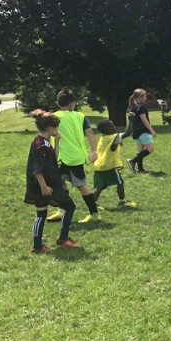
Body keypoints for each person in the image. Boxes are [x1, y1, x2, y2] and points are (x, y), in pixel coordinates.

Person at [25, 110, 79, 253]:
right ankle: (63, 238)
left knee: (41, 214)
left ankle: (37, 247)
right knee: (70, 206)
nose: (57, 130)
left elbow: (53, 158)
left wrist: (57, 142)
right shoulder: (41, 146)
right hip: (47, 184)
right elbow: (37, 170)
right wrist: (44, 186)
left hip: (42, 184)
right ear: (50, 129)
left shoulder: (42, 141)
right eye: (56, 128)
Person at [46, 88, 101, 224]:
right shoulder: (80, 116)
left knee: (77, 185)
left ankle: (93, 213)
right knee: (62, 183)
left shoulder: (53, 117)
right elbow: (89, 132)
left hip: (61, 157)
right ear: (72, 103)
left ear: (58, 103)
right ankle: (64, 210)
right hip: (72, 157)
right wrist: (94, 150)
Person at [91, 120, 137, 210]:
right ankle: (122, 201)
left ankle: (92, 203)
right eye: (112, 126)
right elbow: (127, 133)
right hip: (110, 166)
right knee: (120, 182)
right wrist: (131, 121)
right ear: (108, 130)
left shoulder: (102, 138)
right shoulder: (113, 137)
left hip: (99, 166)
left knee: (99, 186)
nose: (114, 127)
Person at [127, 88, 157, 173]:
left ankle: (140, 169)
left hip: (136, 131)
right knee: (150, 149)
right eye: (144, 96)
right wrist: (151, 130)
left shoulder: (133, 107)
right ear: (140, 97)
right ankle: (132, 161)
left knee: (140, 151)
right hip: (143, 131)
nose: (146, 98)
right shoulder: (141, 107)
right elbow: (144, 120)